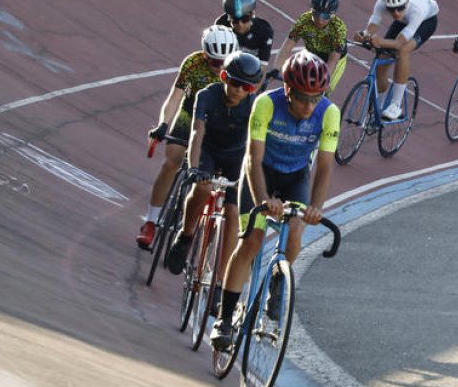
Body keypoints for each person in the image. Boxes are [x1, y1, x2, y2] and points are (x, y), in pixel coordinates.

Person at [210, 51, 340, 350]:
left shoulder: (329, 113)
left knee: (295, 232)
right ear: (288, 91)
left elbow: (323, 165)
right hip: (261, 173)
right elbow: (252, 160)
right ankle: (225, 318)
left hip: (295, 176)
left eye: (316, 98)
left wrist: (315, 208)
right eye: (303, 98)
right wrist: (263, 200)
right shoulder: (266, 104)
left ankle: (279, 279)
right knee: (252, 240)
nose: (309, 106)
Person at [138, 25, 239, 249]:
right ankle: (151, 222)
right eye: (214, 62)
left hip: (217, 123)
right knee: (171, 160)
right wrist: (163, 124)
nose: (219, 67)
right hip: (189, 113)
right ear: (204, 54)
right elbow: (174, 98)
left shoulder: (237, 69)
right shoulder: (193, 63)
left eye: (224, 62)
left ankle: (197, 221)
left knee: (212, 174)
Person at [163, 51, 262, 276]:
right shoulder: (207, 95)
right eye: (236, 83)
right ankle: (186, 236)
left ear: (253, 89)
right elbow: (197, 131)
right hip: (209, 150)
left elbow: (256, 143)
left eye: (247, 88)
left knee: (233, 213)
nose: (239, 91)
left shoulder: (254, 106)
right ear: (224, 77)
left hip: (236, 156)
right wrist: (194, 167)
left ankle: (221, 280)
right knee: (203, 187)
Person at [353, 0, 439, 120]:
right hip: (404, 22)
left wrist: (379, 41)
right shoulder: (381, 3)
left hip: (426, 21)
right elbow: (371, 28)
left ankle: (395, 105)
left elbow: (399, 43)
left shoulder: (417, 8)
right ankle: (377, 108)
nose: (396, 13)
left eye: (400, 8)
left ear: (406, 2)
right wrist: (364, 35)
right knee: (382, 60)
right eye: (392, 10)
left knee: (403, 51)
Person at [274, 0, 349, 95]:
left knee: (321, 93)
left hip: (332, 59)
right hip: (312, 53)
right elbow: (287, 47)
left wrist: (322, 82)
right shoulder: (304, 21)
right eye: (316, 14)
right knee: (293, 82)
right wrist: (276, 70)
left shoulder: (338, 28)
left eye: (326, 16)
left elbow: (333, 60)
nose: (320, 20)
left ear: (333, 15)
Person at [215, 0, 276, 73]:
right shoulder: (221, 26)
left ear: (252, 14)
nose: (240, 24)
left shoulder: (264, 31)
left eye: (244, 19)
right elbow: (217, 62)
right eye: (235, 20)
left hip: (250, 72)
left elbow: (262, 68)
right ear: (228, 17)